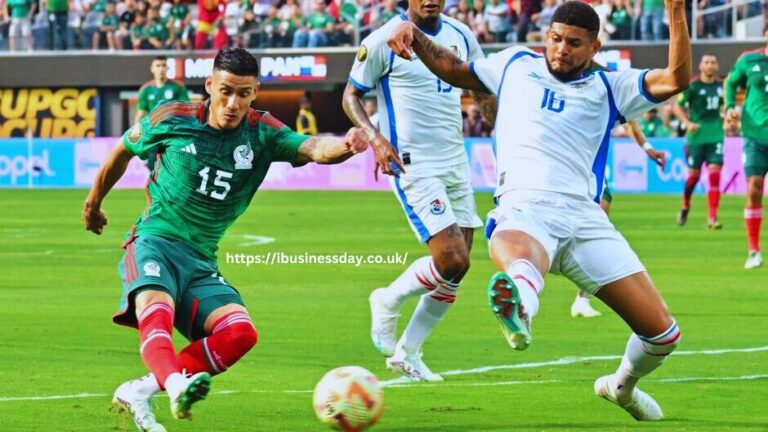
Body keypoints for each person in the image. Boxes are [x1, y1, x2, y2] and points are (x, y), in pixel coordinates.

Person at [387, 0, 689, 419]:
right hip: (524, 207)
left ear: (594, 47)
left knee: (663, 335)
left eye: (574, 43)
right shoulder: (514, 65)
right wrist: (413, 35)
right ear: (547, 35)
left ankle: (621, 388)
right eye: (556, 39)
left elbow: (677, 78)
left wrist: (675, 10)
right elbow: (456, 70)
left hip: (586, 220)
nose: (561, 49)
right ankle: (520, 307)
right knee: (521, 258)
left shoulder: (610, 87)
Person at [82, 48, 369, 432]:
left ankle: (144, 389)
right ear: (209, 86)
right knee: (157, 313)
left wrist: (347, 145)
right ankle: (176, 384)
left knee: (240, 333)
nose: (233, 103)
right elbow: (122, 150)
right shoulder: (173, 119)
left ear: (256, 93)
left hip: (201, 260)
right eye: (225, 91)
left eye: (244, 93)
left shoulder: (263, 132)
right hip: (155, 241)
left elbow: (314, 148)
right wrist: (93, 203)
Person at [342, 0, 494, 382]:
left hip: (456, 160)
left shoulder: (462, 35)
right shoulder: (381, 41)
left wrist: (500, 127)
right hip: (412, 162)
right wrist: (376, 139)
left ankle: (408, 352)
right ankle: (388, 298)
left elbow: (481, 89)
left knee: (458, 270)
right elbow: (350, 96)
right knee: (452, 260)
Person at [572, 116, 665, 318]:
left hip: (591, 168)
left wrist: (647, 148)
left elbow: (630, 121)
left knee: (598, 225)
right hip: (566, 165)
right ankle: (525, 287)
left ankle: (582, 298)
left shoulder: (606, 92)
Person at [725, 26, 768, 269]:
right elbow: (731, 83)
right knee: (754, 187)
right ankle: (754, 250)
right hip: (755, 135)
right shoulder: (749, 59)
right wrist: (731, 105)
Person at [673, 54, 724, 229]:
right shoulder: (692, 86)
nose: (710, 65)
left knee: (715, 175)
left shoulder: (721, 86)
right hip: (696, 138)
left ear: (717, 67)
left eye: (713, 62)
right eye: (707, 62)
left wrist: (729, 115)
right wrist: (687, 123)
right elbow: (677, 105)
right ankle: (686, 204)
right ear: (701, 66)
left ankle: (712, 218)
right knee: (693, 178)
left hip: (716, 136)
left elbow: (726, 106)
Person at [135, 56, 190, 171]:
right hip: (154, 134)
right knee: (152, 167)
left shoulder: (178, 88)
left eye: (163, 65)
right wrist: (137, 133)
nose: (161, 69)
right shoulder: (146, 89)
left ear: (168, 68)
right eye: (158, 65)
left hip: (173, 134)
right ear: (152, 69)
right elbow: (140, 113)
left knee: (175, 167)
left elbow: (187, 110)